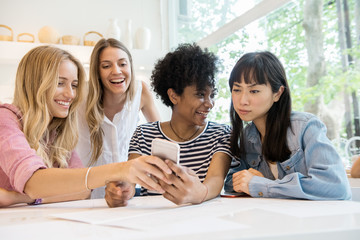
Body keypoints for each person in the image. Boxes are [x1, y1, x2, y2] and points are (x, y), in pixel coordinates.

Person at [0, 46, 172, 207]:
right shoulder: (5, 119)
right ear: (35, 83)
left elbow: (82, 191)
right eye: (60, 83)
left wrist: (16, 197)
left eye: (74, 85)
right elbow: (33, 181)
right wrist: (121, 169)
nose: (70, 94)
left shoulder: (56, 130)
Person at [105, 43, 233, 207]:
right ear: (173, 96)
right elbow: (131, 178)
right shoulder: (144, 135)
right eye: (200, 94)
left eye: (212, 95)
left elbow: (216, 179)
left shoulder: (221, 134)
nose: (210, 104)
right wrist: (121, 190)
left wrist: (201, 193)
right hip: (154, 224)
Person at [224, 51, 351, 200]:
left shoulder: (306, 128)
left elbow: (336, 186)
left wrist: (263, 185)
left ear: (277, 93)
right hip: (278, 219)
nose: (242, 100)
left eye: (254, 91)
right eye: (237, 89)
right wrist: (255, 183)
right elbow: (232, 184)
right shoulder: (247, 138)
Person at [75, 38, 160, 199]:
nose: (117, 71)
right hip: (87, 192)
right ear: (97, 72)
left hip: (127, 191)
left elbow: (160, 136)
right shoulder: (81, 95)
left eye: (122, 64)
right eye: (106, 66)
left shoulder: (140, 91)